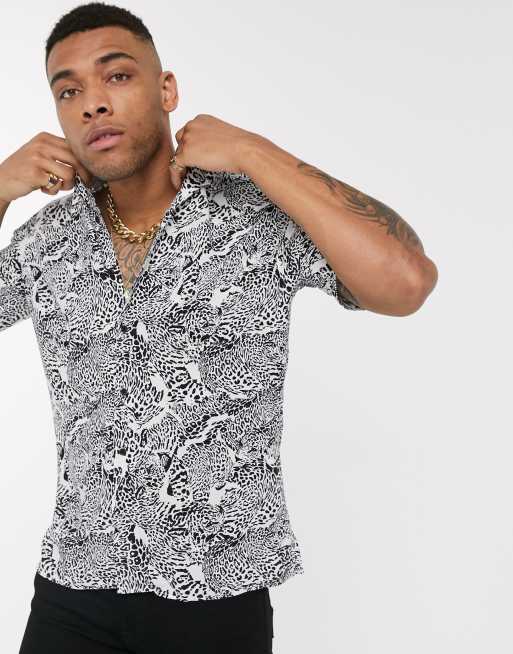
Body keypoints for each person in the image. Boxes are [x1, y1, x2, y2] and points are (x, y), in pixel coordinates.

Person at [0, 3, 438, 653]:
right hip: (74, 591)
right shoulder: (47, 242)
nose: (93, 104)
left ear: (166, 89)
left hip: (215, 598)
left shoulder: (255, 217)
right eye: (69, 91)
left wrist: (256, 153)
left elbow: (406, 282)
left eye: (116, 76)